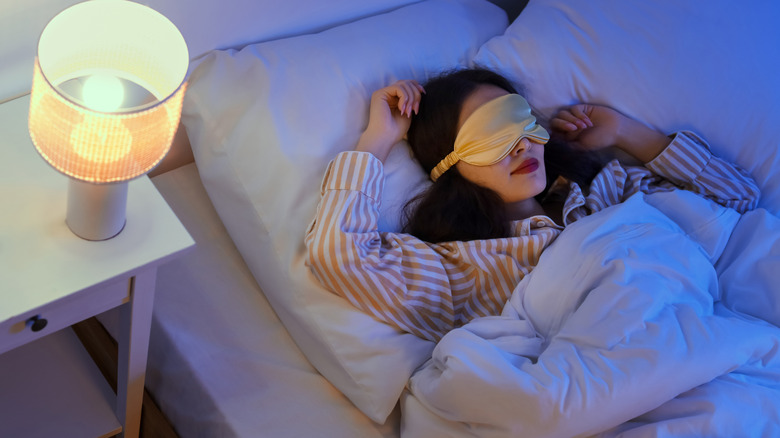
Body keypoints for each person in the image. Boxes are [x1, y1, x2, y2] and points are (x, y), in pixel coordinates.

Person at [304, 68, 759, 342]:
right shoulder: (458, 271)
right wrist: (375, 142)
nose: (521, 146)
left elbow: (736, 201)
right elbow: (337, 255)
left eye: (521, 123)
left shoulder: (605, 191)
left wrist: (624, 132)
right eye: (493, 138)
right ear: (450, 165)